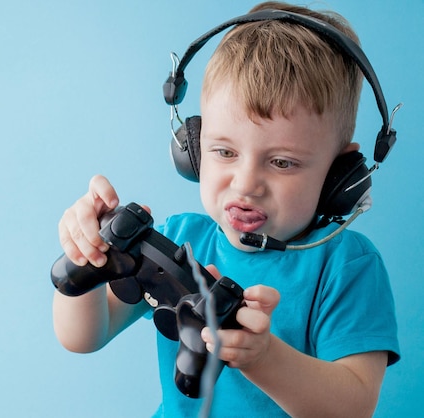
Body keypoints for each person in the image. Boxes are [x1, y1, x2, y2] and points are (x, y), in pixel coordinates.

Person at [52, 2, 400, 416]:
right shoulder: (181, 239)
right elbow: (84, 337)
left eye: (282, 162)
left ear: (340, 175)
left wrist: (264, 357)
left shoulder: (347, 266)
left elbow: (353, 408)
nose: (246, 183)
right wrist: (85, 256)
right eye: (224, 151)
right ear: (193, 150)